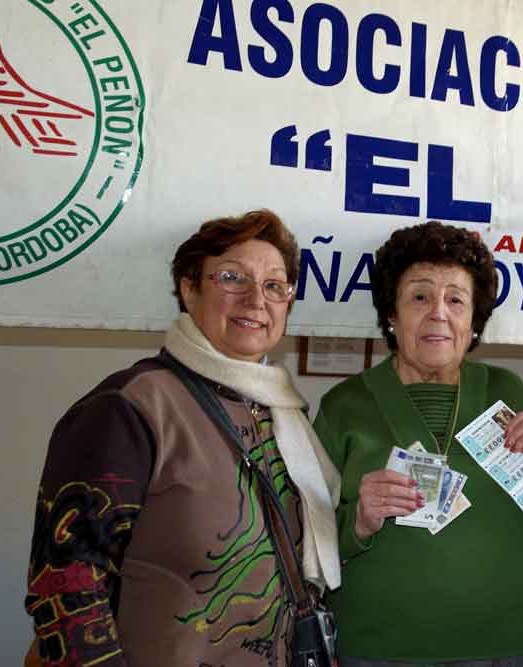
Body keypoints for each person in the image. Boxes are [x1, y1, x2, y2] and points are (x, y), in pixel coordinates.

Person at [25, 210, 340, 666]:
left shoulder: (281, 412)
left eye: (275, 286)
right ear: (188, 289)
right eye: (232, 278)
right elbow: (66, 583)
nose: (257, 299)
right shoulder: (130, 406)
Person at [314, 221, 523, 666]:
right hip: (382, 647)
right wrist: (358, 520)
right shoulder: (345, 406)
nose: (438, 312)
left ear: (473, 321)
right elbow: (306, 536)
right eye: (420, 296)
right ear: (391, 315)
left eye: (456, 299)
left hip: (506, 642)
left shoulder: (508, 390)